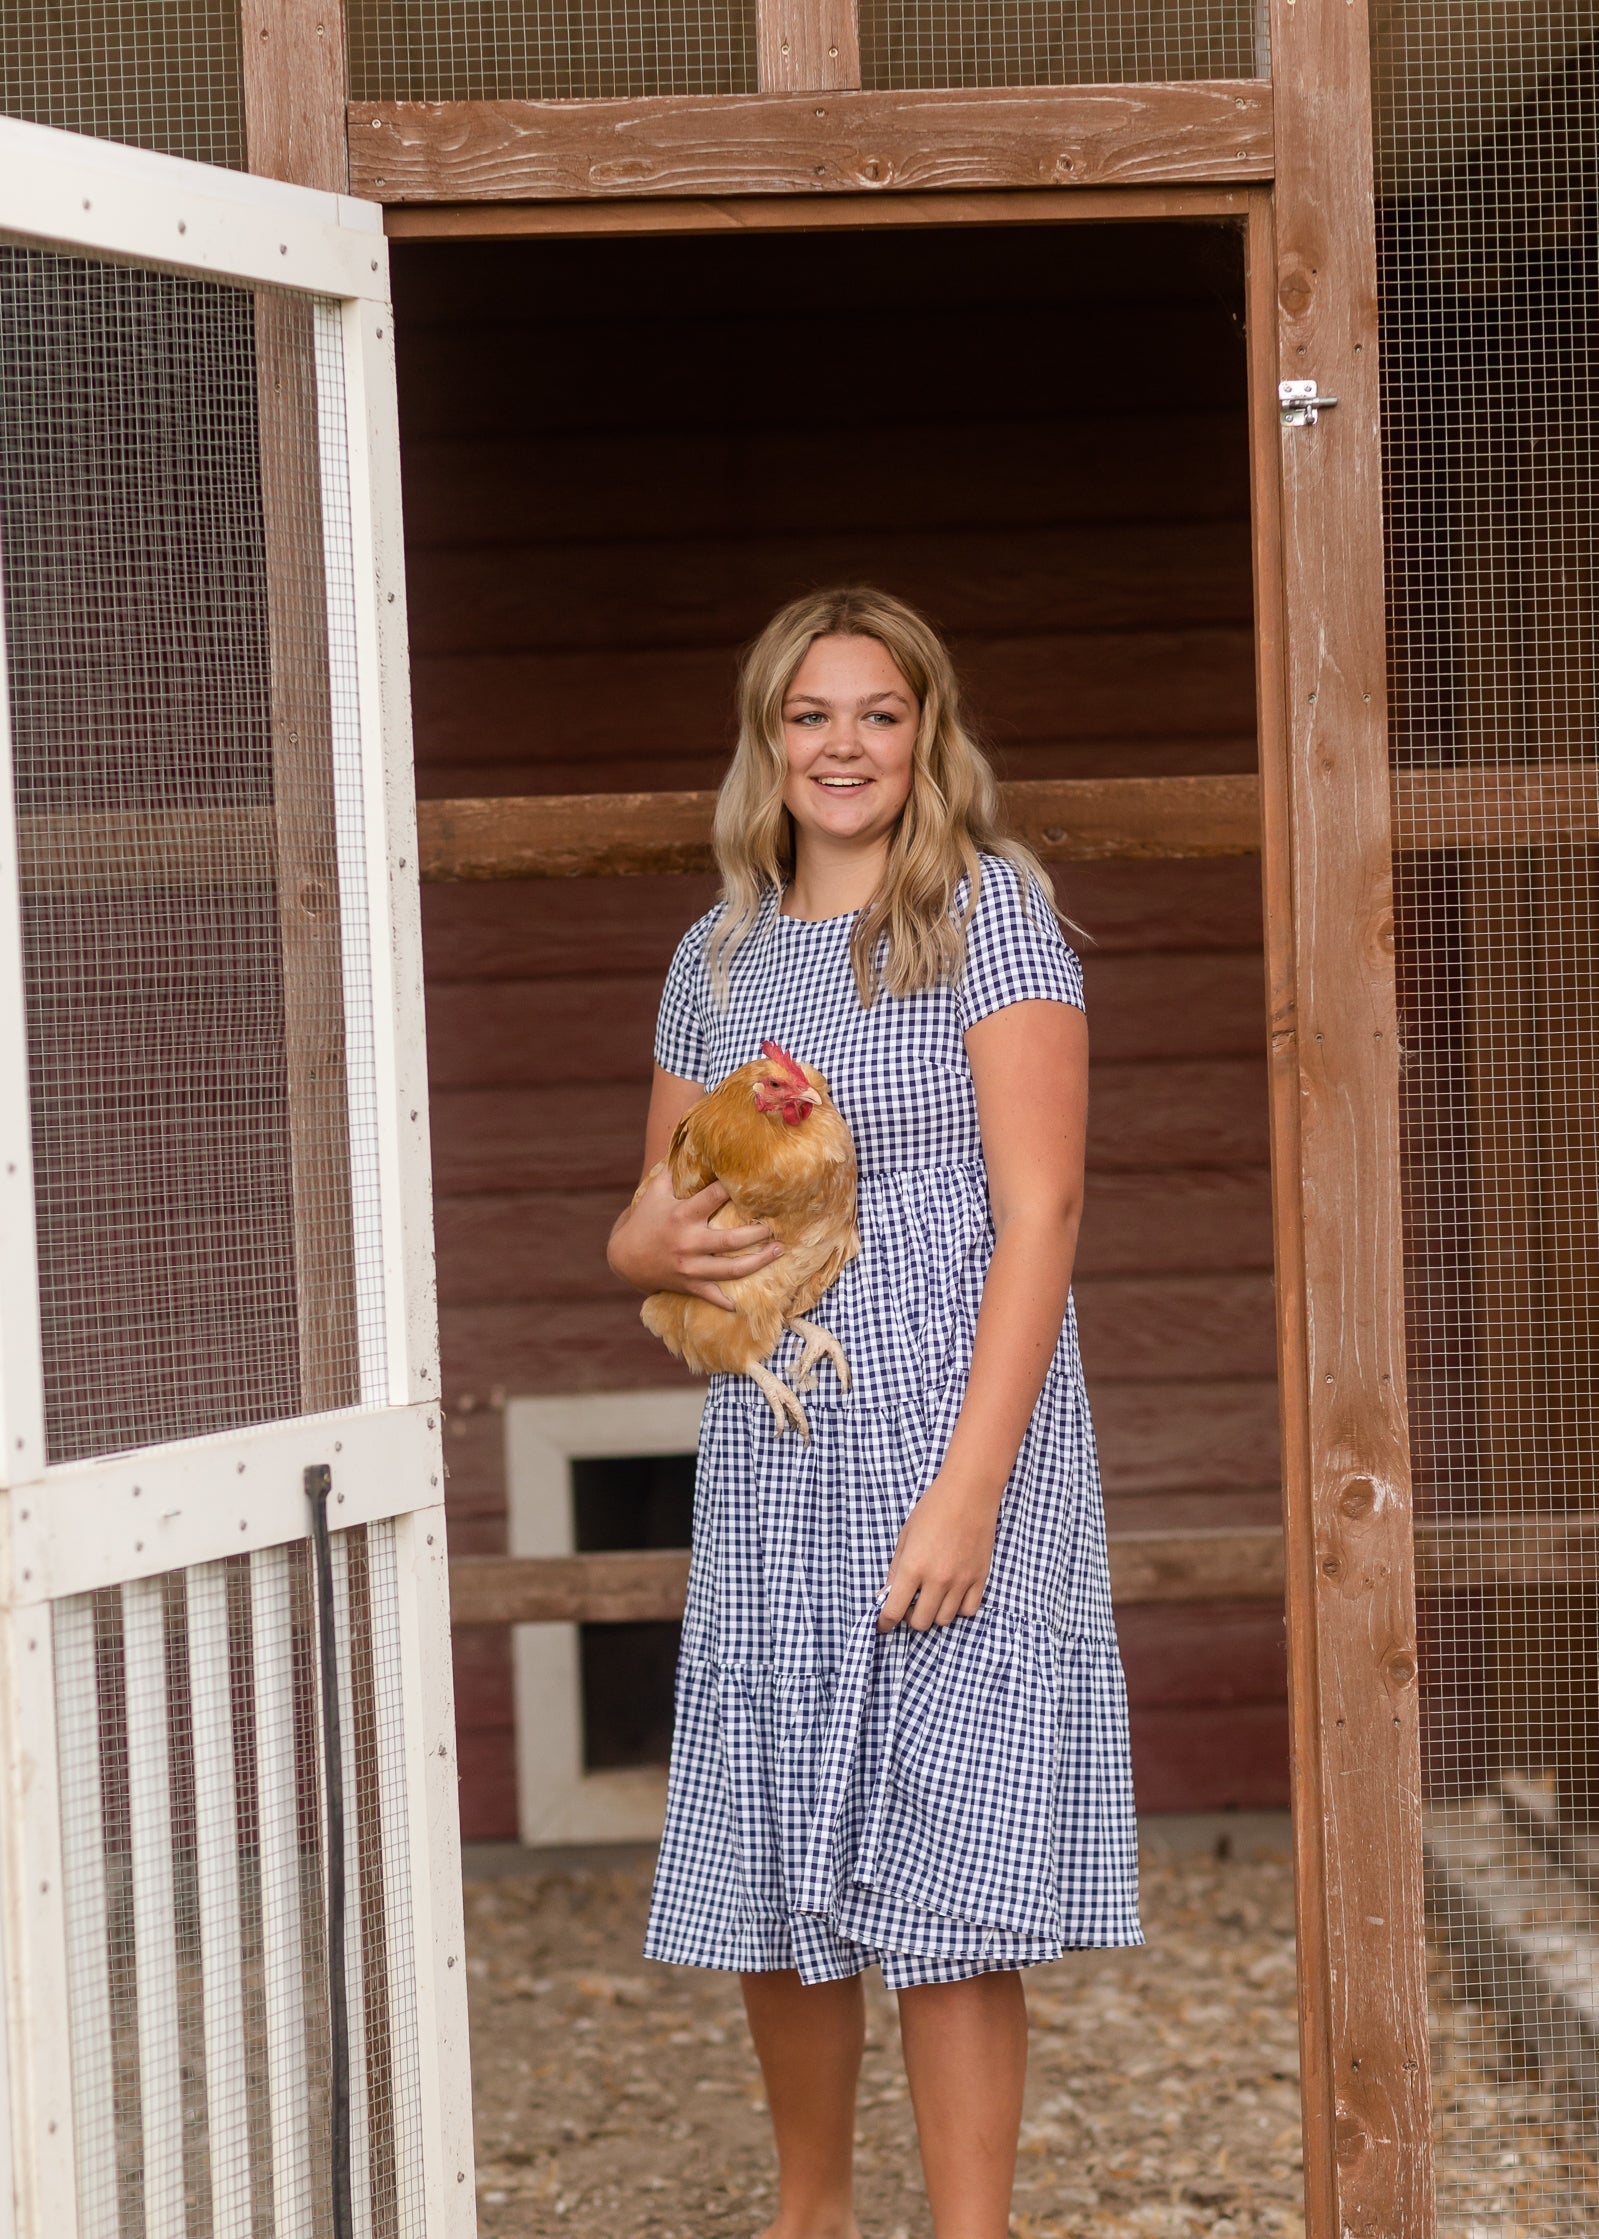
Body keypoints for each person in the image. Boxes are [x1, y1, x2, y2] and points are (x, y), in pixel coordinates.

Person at [607, 586, 1140, 2239]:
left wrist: (972, 1490)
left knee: (954, 1849)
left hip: (954, 1419)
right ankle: (811, 2214)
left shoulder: (991, 920)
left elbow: (1040, 1214)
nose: (845, 746)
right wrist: (644, 1241)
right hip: (779, 1431)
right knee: (778, 1837)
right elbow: (646, 1211)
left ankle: (970, 2231)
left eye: (879, 714)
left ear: (928, 736)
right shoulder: (717, 951)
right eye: (812, 715)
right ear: (769, 744)